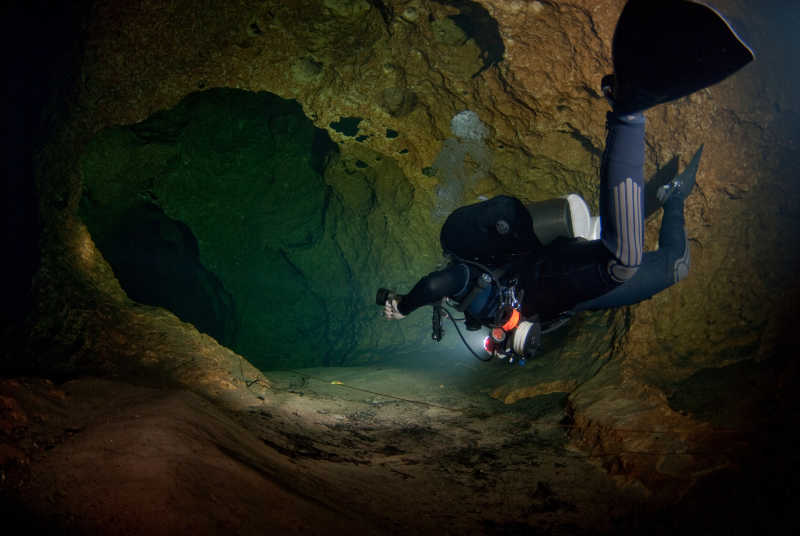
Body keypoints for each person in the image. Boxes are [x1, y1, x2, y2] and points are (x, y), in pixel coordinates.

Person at [378, 0, 753, 359]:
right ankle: (672, 197)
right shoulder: (478, 292)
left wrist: (403, 306)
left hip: (547, 280)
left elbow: (434, 286)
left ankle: (628, 112)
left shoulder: (468, 280)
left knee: (621, 263)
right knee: (675, 266)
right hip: (570, 295)